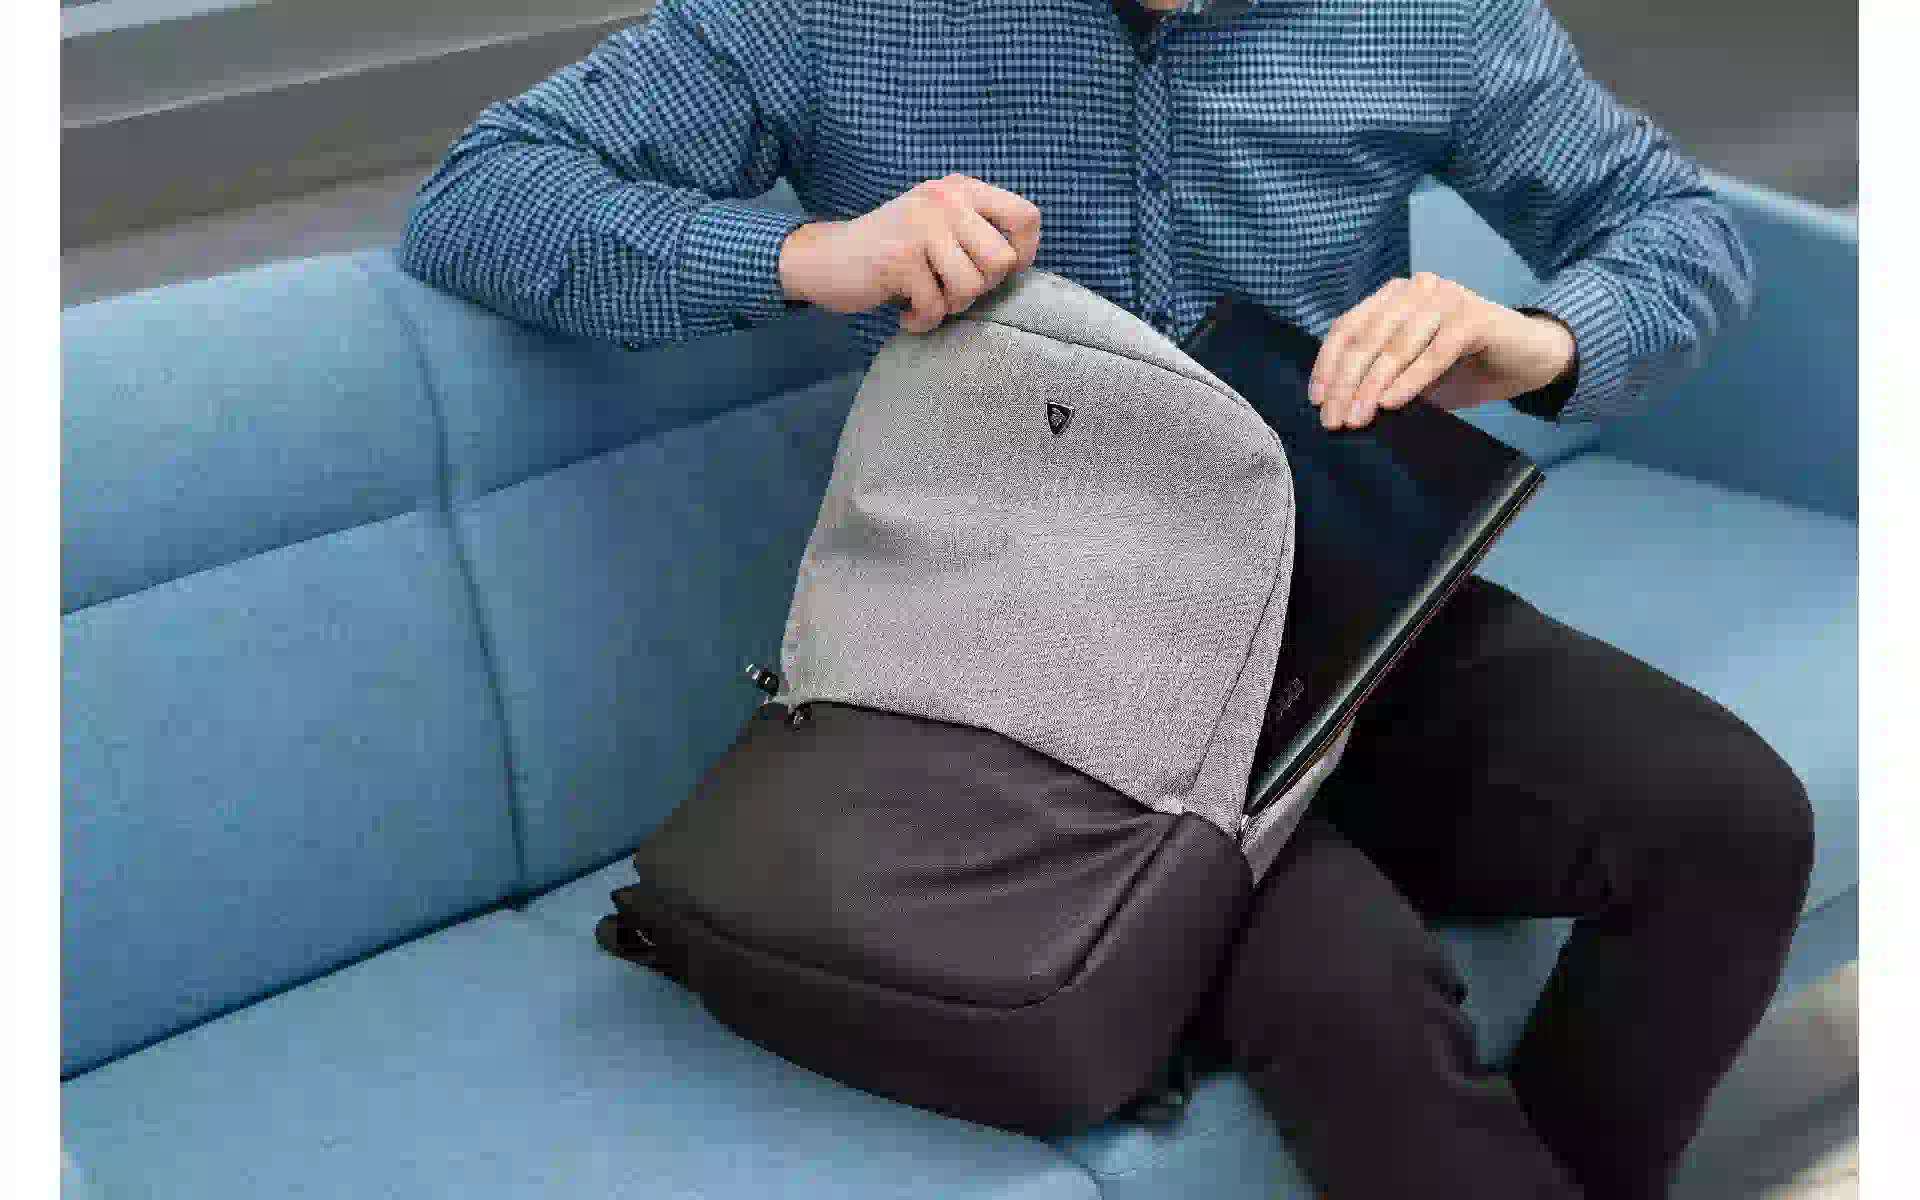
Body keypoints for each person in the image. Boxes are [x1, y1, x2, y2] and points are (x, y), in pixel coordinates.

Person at [398, 2, 1813, 1195]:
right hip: (1030, 681)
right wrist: (809, 259)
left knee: (1731, 821)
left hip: (1344, 621)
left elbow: (1676, 229)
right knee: (1351, 996)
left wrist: (1540, 340)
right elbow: (483, 195)